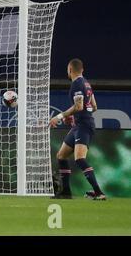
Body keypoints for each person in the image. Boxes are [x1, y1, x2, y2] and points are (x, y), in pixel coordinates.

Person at [49, 58, 105, 200]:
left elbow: (79, 106)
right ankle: (66, 192)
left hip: (84, 126)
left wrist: (60, 116)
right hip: (78, 125)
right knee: (61, 156)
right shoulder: (86, 83)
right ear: (82, 70)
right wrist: (75, 116)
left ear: (70, 70)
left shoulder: (77, 84)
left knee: (80, 158)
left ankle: (99, 192)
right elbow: (94, 106)